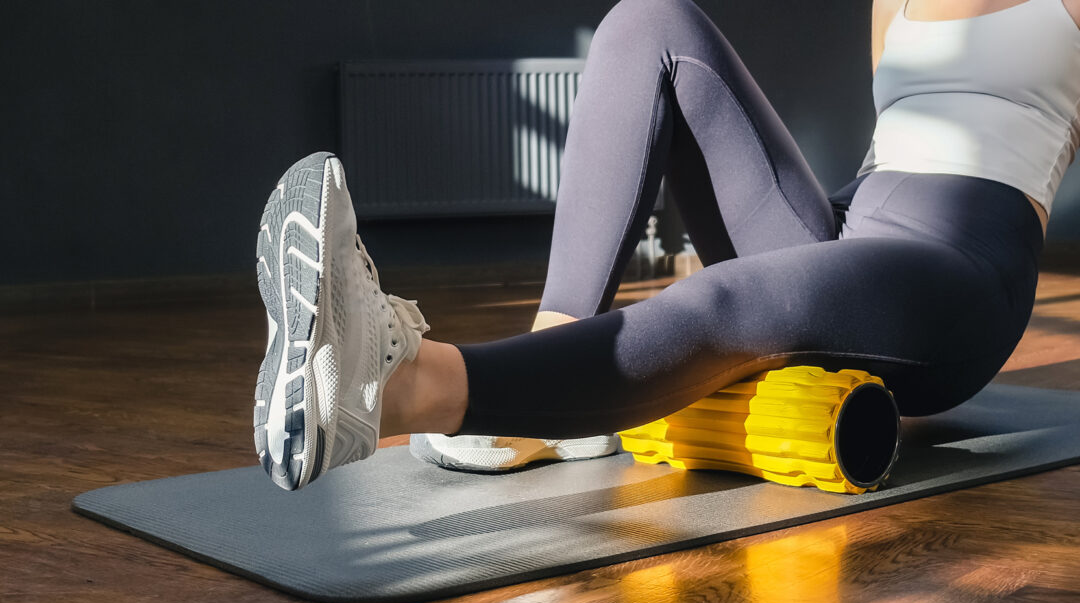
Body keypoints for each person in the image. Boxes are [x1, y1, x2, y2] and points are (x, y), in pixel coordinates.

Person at [253, 0, 1080, 491]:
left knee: (729, 304)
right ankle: (552, 373)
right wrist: (823, 251)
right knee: (651, 19)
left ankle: (400, 387)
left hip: (961, 273)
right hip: (860, 221)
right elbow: (889, 137)